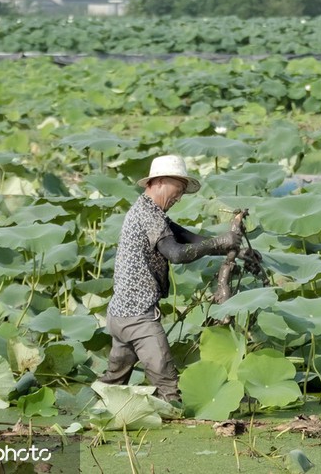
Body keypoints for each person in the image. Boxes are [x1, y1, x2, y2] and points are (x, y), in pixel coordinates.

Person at [98, 154, 252, 402]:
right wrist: (220, 241)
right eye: (177, 189)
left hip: (120, 314)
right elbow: (177, 254)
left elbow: (188, 239)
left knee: (112, 384)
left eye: (182, 192)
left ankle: (87, 416)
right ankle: (183, 423)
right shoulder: (148, 215)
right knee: (168, 385)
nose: (179, 197)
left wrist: (236, 249)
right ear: (158, 181)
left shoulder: (151, 213)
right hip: (138, 317)